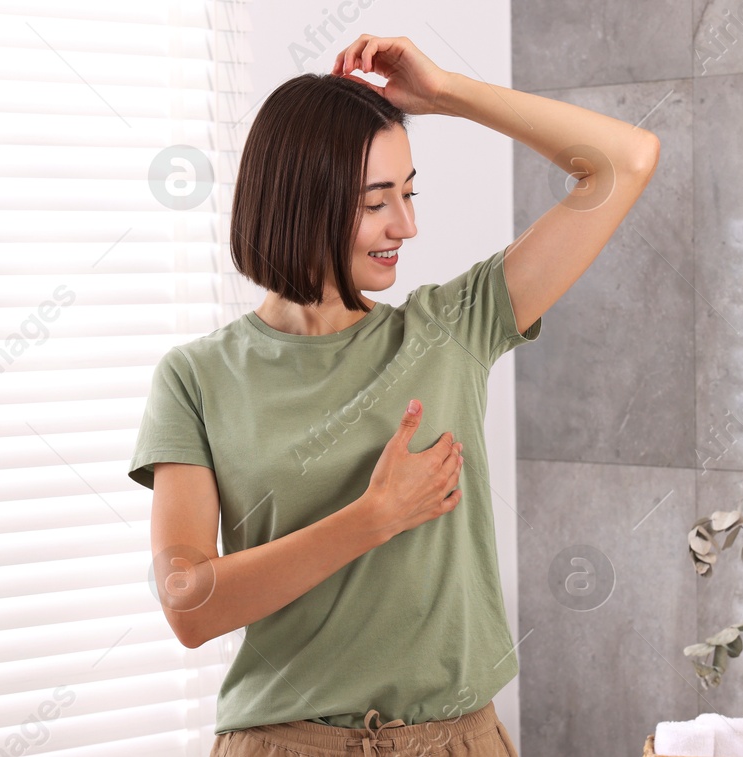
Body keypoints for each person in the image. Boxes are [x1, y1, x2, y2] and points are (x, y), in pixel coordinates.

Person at [129, 35, 659, 756]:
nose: (407, 226)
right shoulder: (196, 377)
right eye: (378, 202)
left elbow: (624, 161)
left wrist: (443, 94)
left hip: (457, 739)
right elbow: (187, 601)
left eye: (409, 194)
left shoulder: (455, 328)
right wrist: (372, 519)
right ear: (302, 202)